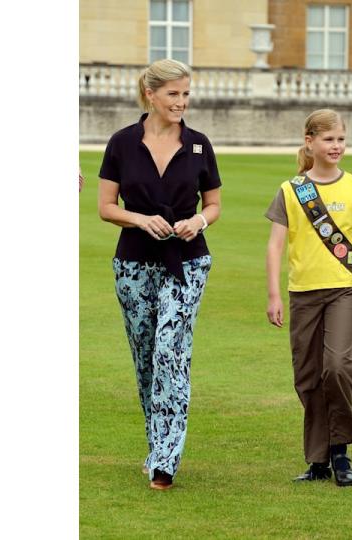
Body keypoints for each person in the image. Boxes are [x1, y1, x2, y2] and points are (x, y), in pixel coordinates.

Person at [97, 58, 222, 491]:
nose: (181, 102)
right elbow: (106, 207)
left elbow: (214, 205)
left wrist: (199, 223)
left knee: (171, 349)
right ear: (150, 94)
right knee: (147, 356)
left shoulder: (201, 145)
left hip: (187, 263)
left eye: (186, 94)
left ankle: (167, 460)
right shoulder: (121, 143)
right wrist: (139, 219)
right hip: (132, 264)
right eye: (173, 94)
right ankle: (156, 446)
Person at [264, 109, 352, 487]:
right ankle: (318, 461)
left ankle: (340, 451)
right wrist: (273, 295)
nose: (336, 146)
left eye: (341, 139)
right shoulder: (291, 191)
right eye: (329, 139)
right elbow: (275, 246)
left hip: (345, 290)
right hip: (302, 293)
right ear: (310, 141)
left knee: (337, 365)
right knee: (308, 376)